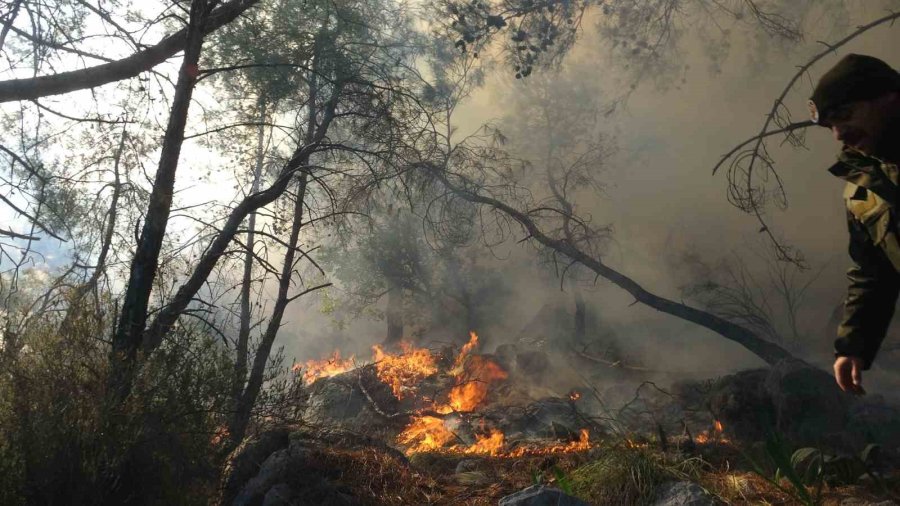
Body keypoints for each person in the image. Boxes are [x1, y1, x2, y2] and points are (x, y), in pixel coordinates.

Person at [808, 54, 900, 394]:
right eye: (831, 125)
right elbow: (873, 270)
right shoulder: (862, 189)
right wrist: (853, 346)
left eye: (844, 115)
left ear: (889, 98)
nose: (838, 134)